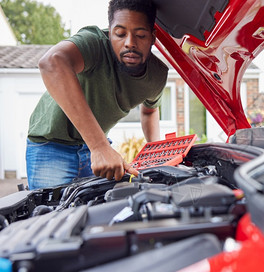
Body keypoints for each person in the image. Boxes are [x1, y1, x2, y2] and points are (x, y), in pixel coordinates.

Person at [26, 0, 168, 190]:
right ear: (109, 33)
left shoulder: (157, 76)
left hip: (95, 147)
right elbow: (51, 63)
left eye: (140, 35)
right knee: (53, 216)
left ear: (153, 37)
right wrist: (99, 147)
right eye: (120, 34)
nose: (130, 43)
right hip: (51, 147)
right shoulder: (94, 43)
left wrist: (156, 155)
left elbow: (150, 111)